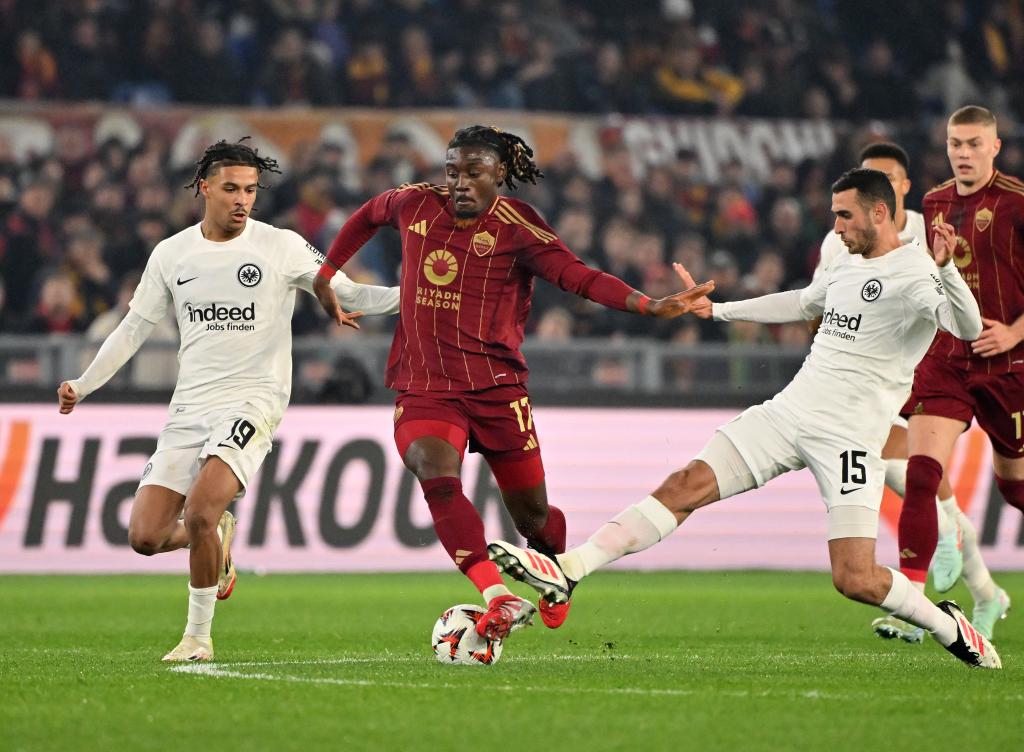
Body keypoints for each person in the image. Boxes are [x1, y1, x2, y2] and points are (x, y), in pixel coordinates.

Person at [490, 168, 1003, 670]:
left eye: (845, 216)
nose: (837, 227)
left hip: (850, 439)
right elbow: (802, 302)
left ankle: (949, 628)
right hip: (788, 413)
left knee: (856, 578)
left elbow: (966, 326)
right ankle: (570, 569)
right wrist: (718, 311)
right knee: (686, 484)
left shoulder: (916, 271)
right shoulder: (845, 262)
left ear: (879, 213)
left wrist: (947, 270)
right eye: (834, 215)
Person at [312, 125, 713, 641]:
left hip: (497, 390)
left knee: (534, 519)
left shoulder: (518, 227)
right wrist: (326, 272)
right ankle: (496, 595)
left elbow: (577, 276)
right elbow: (369, 213)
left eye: (473, 172)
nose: (459, 182)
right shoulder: (414, 204)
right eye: (452, 171)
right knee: (434, 472)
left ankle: (556, 573)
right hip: (426, 385)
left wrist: (648, 304)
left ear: (499, 173)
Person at [57, 139, 399, 662]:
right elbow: (132, 328)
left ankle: (197, 637)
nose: (243, 200)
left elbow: (349, 293)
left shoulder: (281, 246)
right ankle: (216, 533)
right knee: (146, 537)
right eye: (232, 189)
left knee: (199, 508)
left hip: (254, 399)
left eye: (251, 190)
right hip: (190, 406)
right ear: (204, 189)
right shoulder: (171, 254)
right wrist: (83, 384)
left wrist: (419, 296)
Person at [813, 142, 1001, 644]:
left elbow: (961, 301)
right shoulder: (838, 241)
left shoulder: (927, 229)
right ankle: (982, 589)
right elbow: (821, 303)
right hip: (867, 379)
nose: (880, 186)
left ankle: (955, 579)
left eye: (889, 178)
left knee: (921, 479)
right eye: (869, 176)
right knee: (915, 482)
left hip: (927, 372)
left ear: (903, 187)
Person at [899, 105, 1022, 641]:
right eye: (955, 144)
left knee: (1015, 490)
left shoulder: (1017, 202)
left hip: (1008, 363)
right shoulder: (934, 203)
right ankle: (909, 604)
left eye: (974, 144)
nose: (963, 153)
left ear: (995, 147)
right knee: (921, 474)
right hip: (947, 357)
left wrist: (1014, 333)